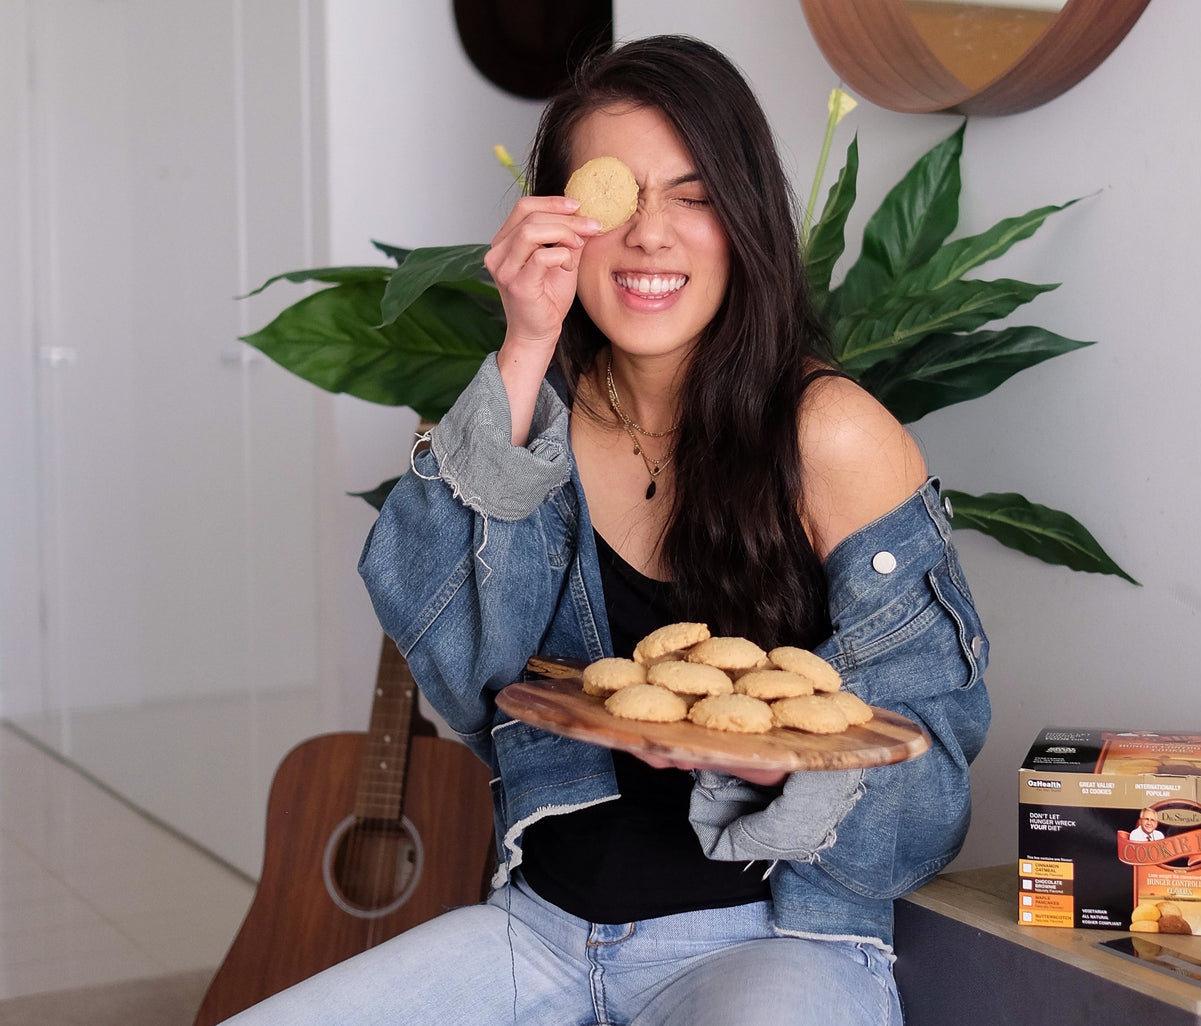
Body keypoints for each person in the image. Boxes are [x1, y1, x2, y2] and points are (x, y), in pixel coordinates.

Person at [223, 35, 989, 1025]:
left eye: (694, 194)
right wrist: (523, 339)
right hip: (532, 930)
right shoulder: (530, 416)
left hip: (770, 945)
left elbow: (929, 792)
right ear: (555, 222)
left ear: (745, 216)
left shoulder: (828, 432)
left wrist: (781, 771)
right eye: (613, 200)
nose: (649, 237)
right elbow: (459, 672)